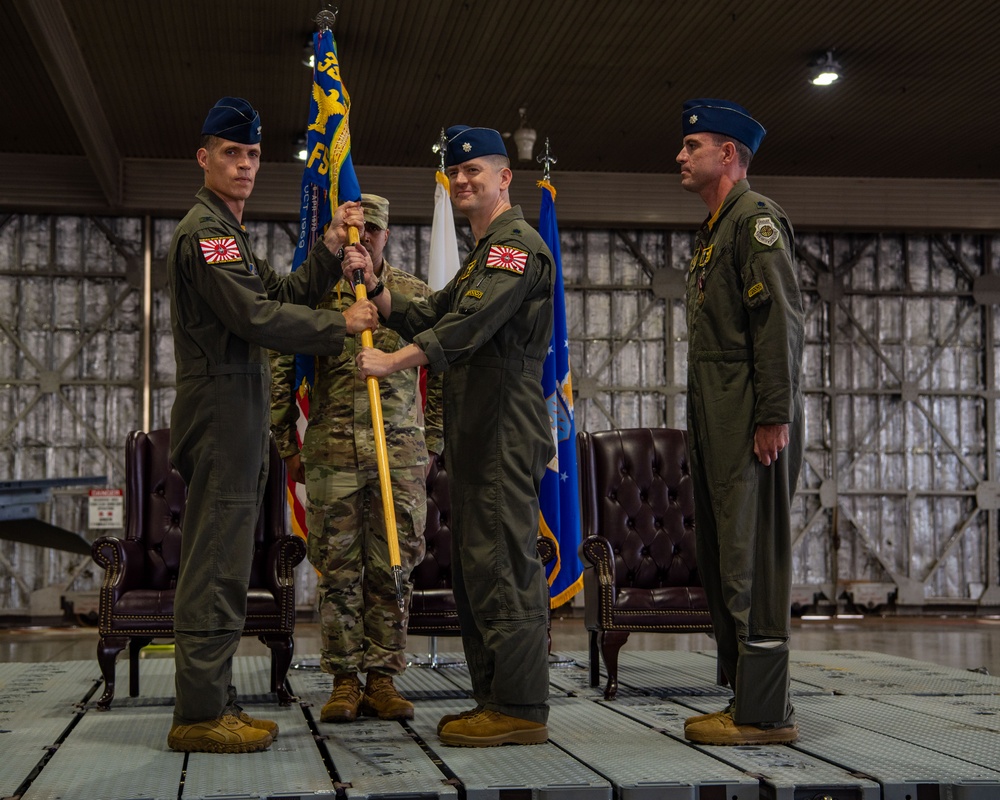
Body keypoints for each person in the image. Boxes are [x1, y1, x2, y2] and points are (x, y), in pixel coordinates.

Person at [165, 96, 378, 754]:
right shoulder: (207, 233)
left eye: (254, 155)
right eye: (232, 153)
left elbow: (274, 298)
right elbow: (254, 320)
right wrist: (339, 324)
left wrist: (326, 251)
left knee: (227, 561)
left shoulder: (227, 232)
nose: (246, 165)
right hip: (222, 408)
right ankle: (199, 714)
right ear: (205, 158)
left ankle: (214, 697)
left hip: (239, 408)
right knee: (214, 567)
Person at [342, 126, 554, 747]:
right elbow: (433, 312)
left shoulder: (514, 247)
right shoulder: (483, 252)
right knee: (478, 568)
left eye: (475, 173)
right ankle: (496, 699)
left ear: (503, 177)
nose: (463, 182)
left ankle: (518, 705)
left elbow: (465, 326)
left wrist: (392, 362)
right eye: (455, 174)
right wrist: (377, 286)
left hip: (504, 429)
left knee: (505, 566)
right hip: (477, 430)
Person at [270, 194, 443, 724]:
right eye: (351, 230)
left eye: (370, 231)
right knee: (337, 568)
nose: (359, 240)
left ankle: (384, 678)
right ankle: (344, 680)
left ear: (386, 235)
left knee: (394, 565)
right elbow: (280, 365)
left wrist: (431, 442)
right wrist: (287, 446)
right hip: (332, 455)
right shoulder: (315, 295)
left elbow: (442, 365)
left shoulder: (411, 295)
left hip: (398, 457)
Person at [675, 99, 805, 746]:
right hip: (719, 415)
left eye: (692, 145)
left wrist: (774, 413)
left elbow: (779, 320)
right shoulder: (715, 230)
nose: (680, 155)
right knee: (727, 557)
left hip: (750, 416)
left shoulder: (754, 222)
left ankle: (764, 713)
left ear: (728, 155)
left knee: (754, 562)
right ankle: (743, 695)